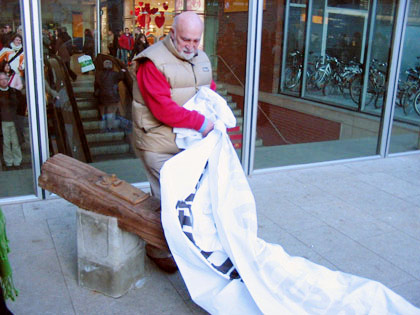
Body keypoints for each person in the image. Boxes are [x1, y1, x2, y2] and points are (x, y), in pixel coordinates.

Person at [131, 11, 215, 272]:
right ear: (172, 34)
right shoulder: (152, 62)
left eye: (196, 40)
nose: (191, 46)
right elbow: (162, 110)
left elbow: (207, 89)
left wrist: (216, 111)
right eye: (185, 40)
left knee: (189, 197)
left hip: (186, 141)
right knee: (168, 198)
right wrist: (201, 123)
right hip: (156, 142)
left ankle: (180, 245)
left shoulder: (200, 58)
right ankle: (157, 249)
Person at [94, 59, 126, 131]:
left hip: (101, 95)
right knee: (111, 111)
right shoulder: (114, 74)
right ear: (111, 66)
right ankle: (109, 127)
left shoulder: (99, 74)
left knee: (103, 111)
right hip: (112, 95)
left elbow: (96, 85)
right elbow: (121, 77)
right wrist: (123, 70)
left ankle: (102, 126)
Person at [0, 72, 24, 167]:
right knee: (6, 143)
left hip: (15, 121)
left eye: (5, 79)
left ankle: (17, 161)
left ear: (8, 79)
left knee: (16, 142)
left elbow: (22, 105)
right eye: (1, 79)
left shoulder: (14, 92)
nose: (4, 81)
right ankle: (8, 162)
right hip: (3, 122)